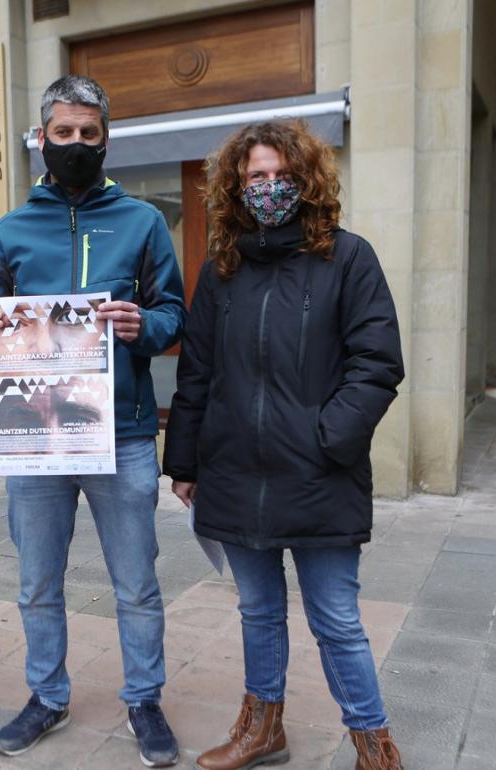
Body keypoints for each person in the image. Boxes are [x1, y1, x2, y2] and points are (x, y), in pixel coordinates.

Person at [162, 120, 406, 770]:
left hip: (321, 475)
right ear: (236, 190)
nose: (268, 188)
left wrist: (330, 440)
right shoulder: (222, 269)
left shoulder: (348, 258)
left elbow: (377, 363)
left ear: (306, 181)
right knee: (259, 612)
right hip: (236, 474)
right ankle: (262, 727)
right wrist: (183, 462)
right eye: (255, 178)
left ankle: (373, 745)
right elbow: (198, 371)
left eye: (280, 176)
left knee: (337, 620)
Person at [0, 74, 187, 768]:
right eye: (62, 133)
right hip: (36, 438)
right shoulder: (10, 229)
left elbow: (174, 314)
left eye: (88, 134)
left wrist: (141, 326)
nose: (75, 144)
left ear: (105, 138)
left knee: (137, 582)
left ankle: (144, 699)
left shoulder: (144, 222)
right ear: (42, 138)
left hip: (120, 436)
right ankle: (46, 696)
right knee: (37, 581)